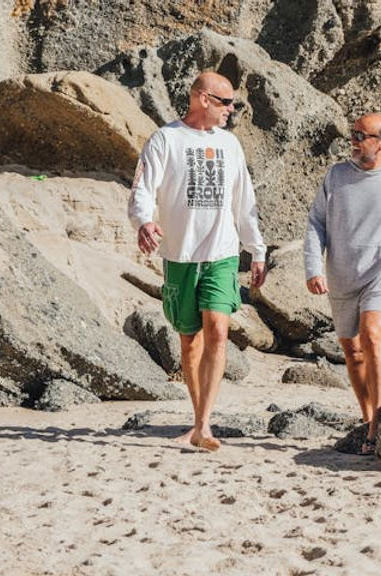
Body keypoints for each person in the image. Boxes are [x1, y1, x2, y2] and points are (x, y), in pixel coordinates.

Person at [128, 71, 267, 451]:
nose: (232, 110)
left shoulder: (230, 145)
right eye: (226, 103)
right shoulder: (165, 139)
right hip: (181, 254)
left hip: (221, 253)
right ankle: (196, 420)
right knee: (189, 340)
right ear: (202, 99)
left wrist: (257, 250)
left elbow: (245, 202)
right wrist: (144, 222)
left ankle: (205, 425)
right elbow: (142, 189)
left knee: (219, 332)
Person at [303, 113, 381, 455]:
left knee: (373, 336)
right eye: (353, 133)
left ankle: (377, 426)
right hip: (341, 274)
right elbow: (316, 223)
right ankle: (366, 420)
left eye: (362, 135)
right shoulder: (337, 175)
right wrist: (313, 267)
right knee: (352, 350)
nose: (354, 139)